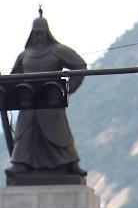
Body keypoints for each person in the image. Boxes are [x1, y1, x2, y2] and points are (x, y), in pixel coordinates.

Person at [6, 12, 88, 183]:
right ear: (32, 33)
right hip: (29, 104)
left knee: (59, 134)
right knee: (24, 133)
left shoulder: (57, 51)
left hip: (51, 102)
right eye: (36, 33)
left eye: (42, 32)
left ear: (47, 33)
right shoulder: (25, 55)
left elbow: (80, 65)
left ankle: (70, 163)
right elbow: (12, 79)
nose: (39, 36)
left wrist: (68, 89)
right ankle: (20, 163)